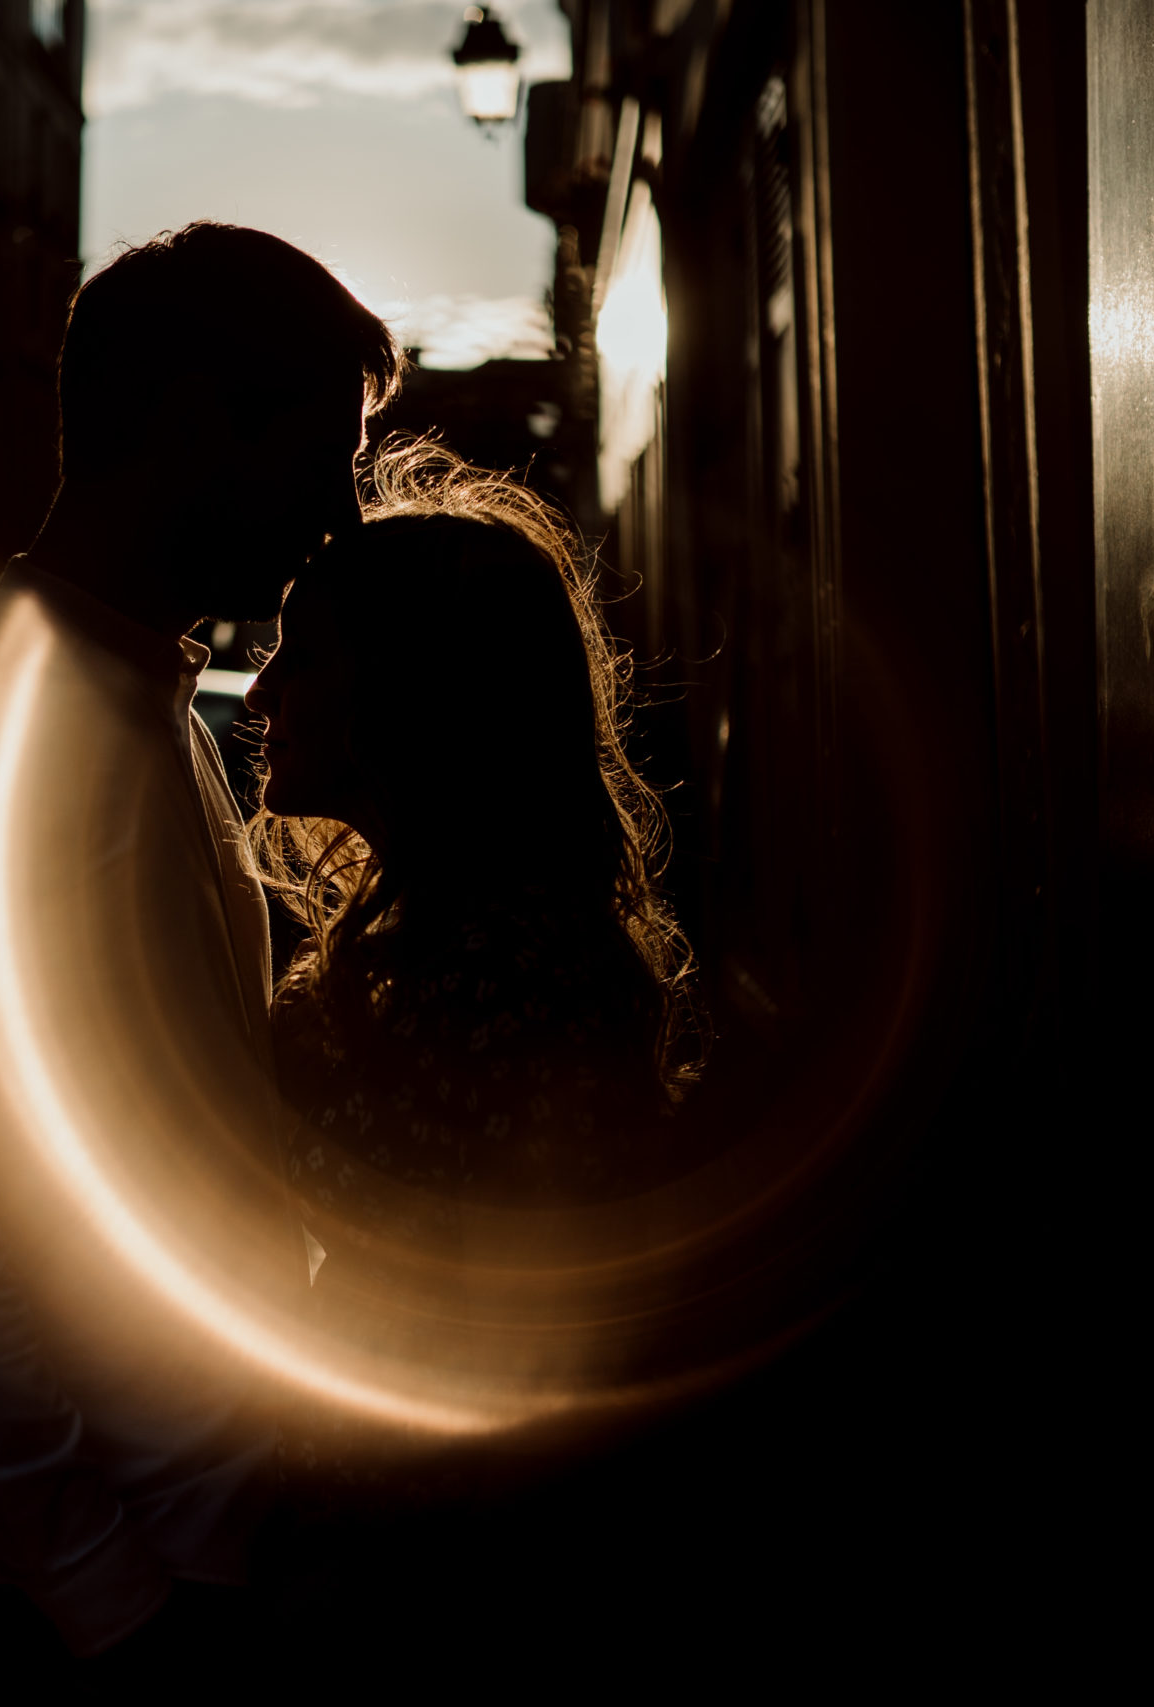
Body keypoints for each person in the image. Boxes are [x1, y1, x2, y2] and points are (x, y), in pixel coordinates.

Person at [0, 224, 402, 1702]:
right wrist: (104, 1585)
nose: (335, 513)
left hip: (156, 1551)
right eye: (319, 453)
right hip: (55, 1605)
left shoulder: (139, 704)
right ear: (198, 420)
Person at [239, 441, 703, 1688]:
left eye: (303, 651)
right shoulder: (447, 936)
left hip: (438, 1601)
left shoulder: (507, 972)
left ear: (405, 692)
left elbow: (492, 1350)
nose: (258, 694)